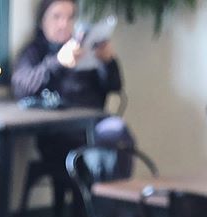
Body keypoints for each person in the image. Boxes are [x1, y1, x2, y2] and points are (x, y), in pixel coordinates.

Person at [11, 0, 136, 177]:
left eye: (70, 18)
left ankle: (114, 198)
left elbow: (114, 86)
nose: (64, 24)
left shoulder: (83, 48)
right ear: (42, 20)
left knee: (117, 133)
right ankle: (102, 200)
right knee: (99, 152)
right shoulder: (35, 51)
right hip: (58, 133)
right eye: (57, 17)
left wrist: (108, 62)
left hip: (93, 125)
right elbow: (21, 87)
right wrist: (58, 63)